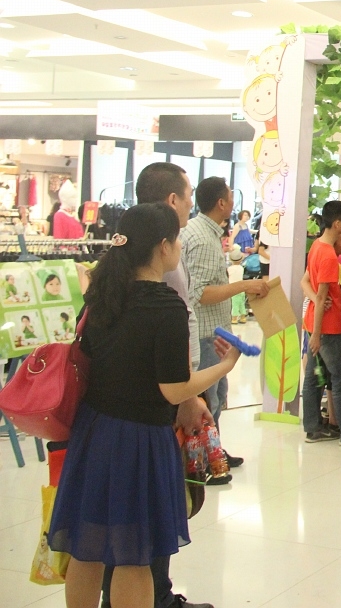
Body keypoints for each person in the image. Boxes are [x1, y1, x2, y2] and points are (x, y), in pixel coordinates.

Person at [48, 203, 243, 608]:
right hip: (139, 441)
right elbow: (174, 389)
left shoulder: (103, 293)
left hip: (94, 432)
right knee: (133, 556)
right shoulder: (165, 305)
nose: (179, 247)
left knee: (87, 546)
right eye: (176, 239)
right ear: (163, 246)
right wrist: (224, 366)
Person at [105, 162, 209, 608]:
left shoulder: (111, 280)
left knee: (115, 522)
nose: (191, 204)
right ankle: (155, 597)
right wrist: (192, 392)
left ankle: (150, 594)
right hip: (150, 412)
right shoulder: (157, 286)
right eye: (188, 195)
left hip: (111, 418)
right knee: (146, 520)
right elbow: (167, 361)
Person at [181, 177, 267, 441]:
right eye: (230, 196)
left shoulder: (199, 230)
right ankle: (209, 456)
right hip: (206, 334)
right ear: (221, 203)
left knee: (216, 397)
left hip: (212, 333)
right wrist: (244, 285)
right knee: (209, 402)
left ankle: (216, 452)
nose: (233, 201)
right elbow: (199, 294)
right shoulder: (204, 239)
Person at [301, 200, 341, 444]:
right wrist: (317, 334)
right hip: (328, 328)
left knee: (313, 377)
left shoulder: (316, 247)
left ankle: (312, 428)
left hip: (314, 323)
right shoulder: (329, 256)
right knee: (339, 378)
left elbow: (306, 283)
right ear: (337, 223)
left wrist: (314, 328)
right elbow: (322, 297)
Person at [227, 248, 248, 324]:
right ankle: (243, 317)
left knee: (235, 304)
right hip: (241, 288)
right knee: (241, 303)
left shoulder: (229, 269)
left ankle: (234, 318)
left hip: (233, 288)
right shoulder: (241, 268)